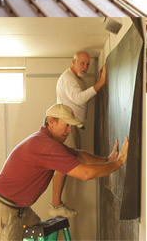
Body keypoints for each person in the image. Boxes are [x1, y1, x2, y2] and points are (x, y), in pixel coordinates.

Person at [0, 103, 128, 241]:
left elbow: (78, 155)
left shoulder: (47, 141)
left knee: (38, 225)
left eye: (71, 127)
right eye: (66, 125)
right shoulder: (45, 145)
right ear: (51, 121)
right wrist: (118, 162)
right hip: (4, 208)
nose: (69, 131)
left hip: (19, 207)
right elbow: (85, 174)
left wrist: (106, 160)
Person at [50, 51, 107, 218]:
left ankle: (56, 204)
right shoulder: (68, 79)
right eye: (82, 63)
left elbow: (79, 99)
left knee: (67, 161)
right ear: (73, 61)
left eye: (88, 64)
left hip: (72, 125)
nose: (85, 67)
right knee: (62, 163)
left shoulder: (75, 79)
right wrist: (100, 83)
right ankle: (55, 205)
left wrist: (95, 84)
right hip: (68, 126)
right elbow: (80, 98)